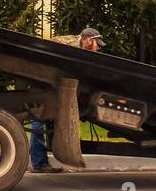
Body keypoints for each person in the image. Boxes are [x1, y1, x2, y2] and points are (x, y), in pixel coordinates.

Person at [30, 27, 103, 173]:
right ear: (88, 41)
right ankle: (38, 163)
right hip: (43, 82)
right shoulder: (67, 45)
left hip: (54, 84)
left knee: (48, 120)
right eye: (97, 44)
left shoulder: (82, 50)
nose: (98, 48)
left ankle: (41, 161)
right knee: (38, 121)